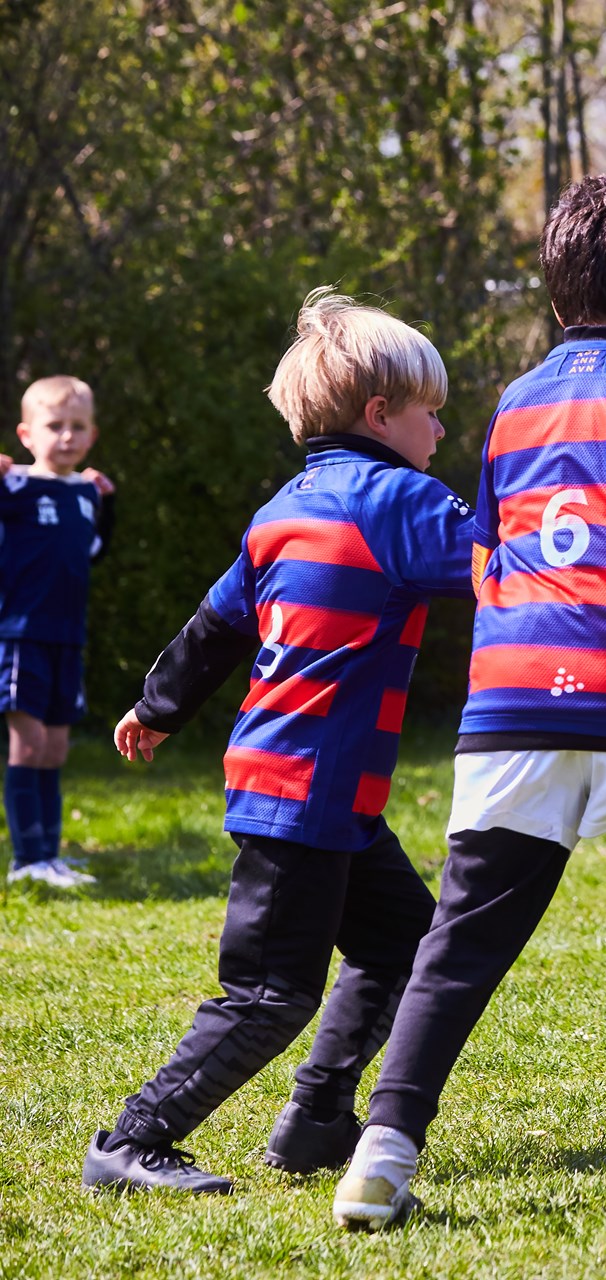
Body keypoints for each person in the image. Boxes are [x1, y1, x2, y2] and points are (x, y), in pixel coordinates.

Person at [333, 175, 606, 1230]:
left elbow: (486, 557)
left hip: (508, 701)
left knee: (458, 943)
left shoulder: (512, 404)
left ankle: (382, 1154)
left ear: (559, 297)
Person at [79, 291, 474, 1194]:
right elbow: (511, 566)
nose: (442, 431)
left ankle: (316, 1121)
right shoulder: (398, 500)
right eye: (432, 412)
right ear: (381, 414)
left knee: (403, 942)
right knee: (268, 991)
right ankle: (131, 1141)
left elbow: (217, 625)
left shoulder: (283, 507)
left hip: (307, 786)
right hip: (309, 788)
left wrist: (158, 707)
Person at [1, 377, 116, 889]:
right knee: (27, 745)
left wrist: (109, 504)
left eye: (77, 426)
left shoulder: (86, 493)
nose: (66, 436)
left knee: (55, 748)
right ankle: (27, 860)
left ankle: (49, 856)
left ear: (92, 434)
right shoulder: (14, 486)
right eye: (54, 426)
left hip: (68, 637)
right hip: (21, 634)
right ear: (27, 434)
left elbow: (93, 551)